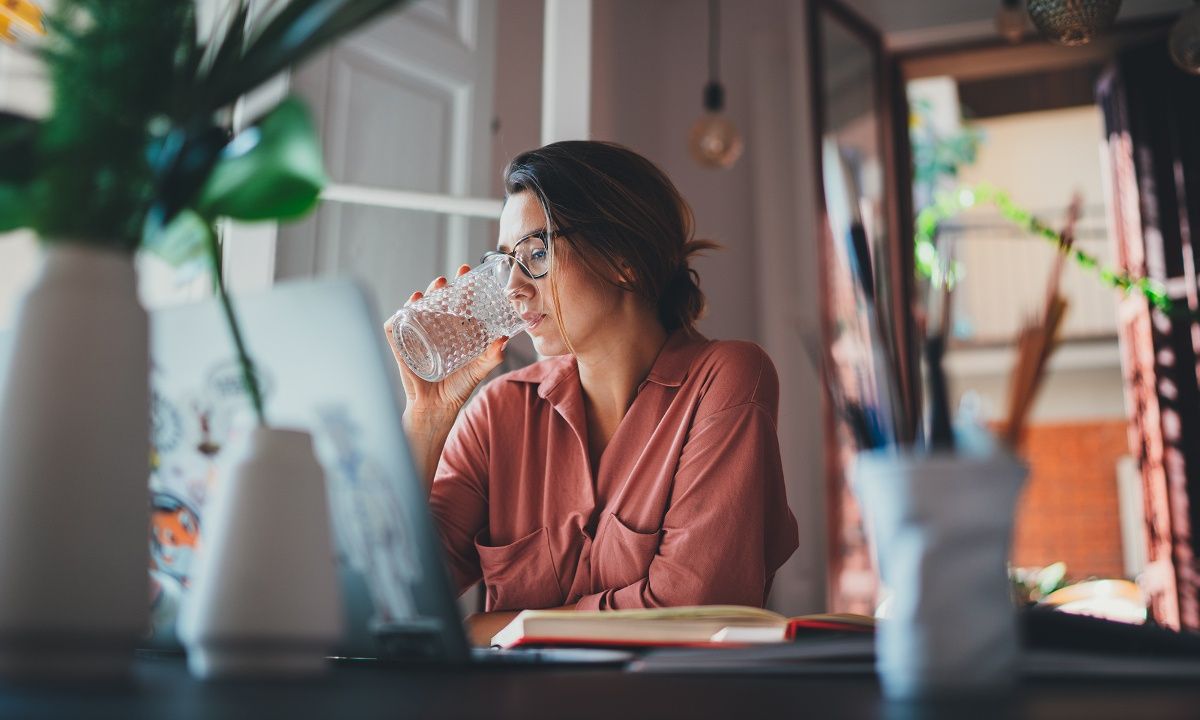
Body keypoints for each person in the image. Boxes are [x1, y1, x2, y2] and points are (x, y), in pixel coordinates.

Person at [385, 141, 798, 633]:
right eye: (505, 261)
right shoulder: (499, 411)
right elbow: (391, 595)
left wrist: (485, 629)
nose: (513, 286)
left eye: (536, 253)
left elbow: (695, 610)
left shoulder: (725, 379)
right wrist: (425, 419)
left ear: (623, 257)